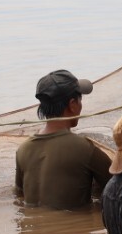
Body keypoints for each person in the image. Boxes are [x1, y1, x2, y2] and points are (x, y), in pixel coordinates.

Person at [14, 69, 113, 211]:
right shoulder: (84, 148)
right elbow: (118, 186)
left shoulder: (22, 150)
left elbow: (19, 195)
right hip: (77, 229)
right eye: (80, 100)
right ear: (72, 104)